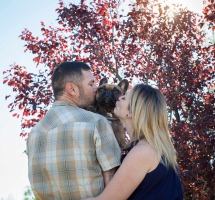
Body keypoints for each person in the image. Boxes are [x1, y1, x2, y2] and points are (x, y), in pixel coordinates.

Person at [26, 61, 121, 200]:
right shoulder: (96, 122)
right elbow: (113, 187)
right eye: (91, 84)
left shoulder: (34, 134)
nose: (96, 88)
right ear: (72, 89)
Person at [85, 84, 183, 200]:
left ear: (131, 112)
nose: (120, 97)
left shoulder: (143, 152)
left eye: (124, 97)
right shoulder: (151, 147)